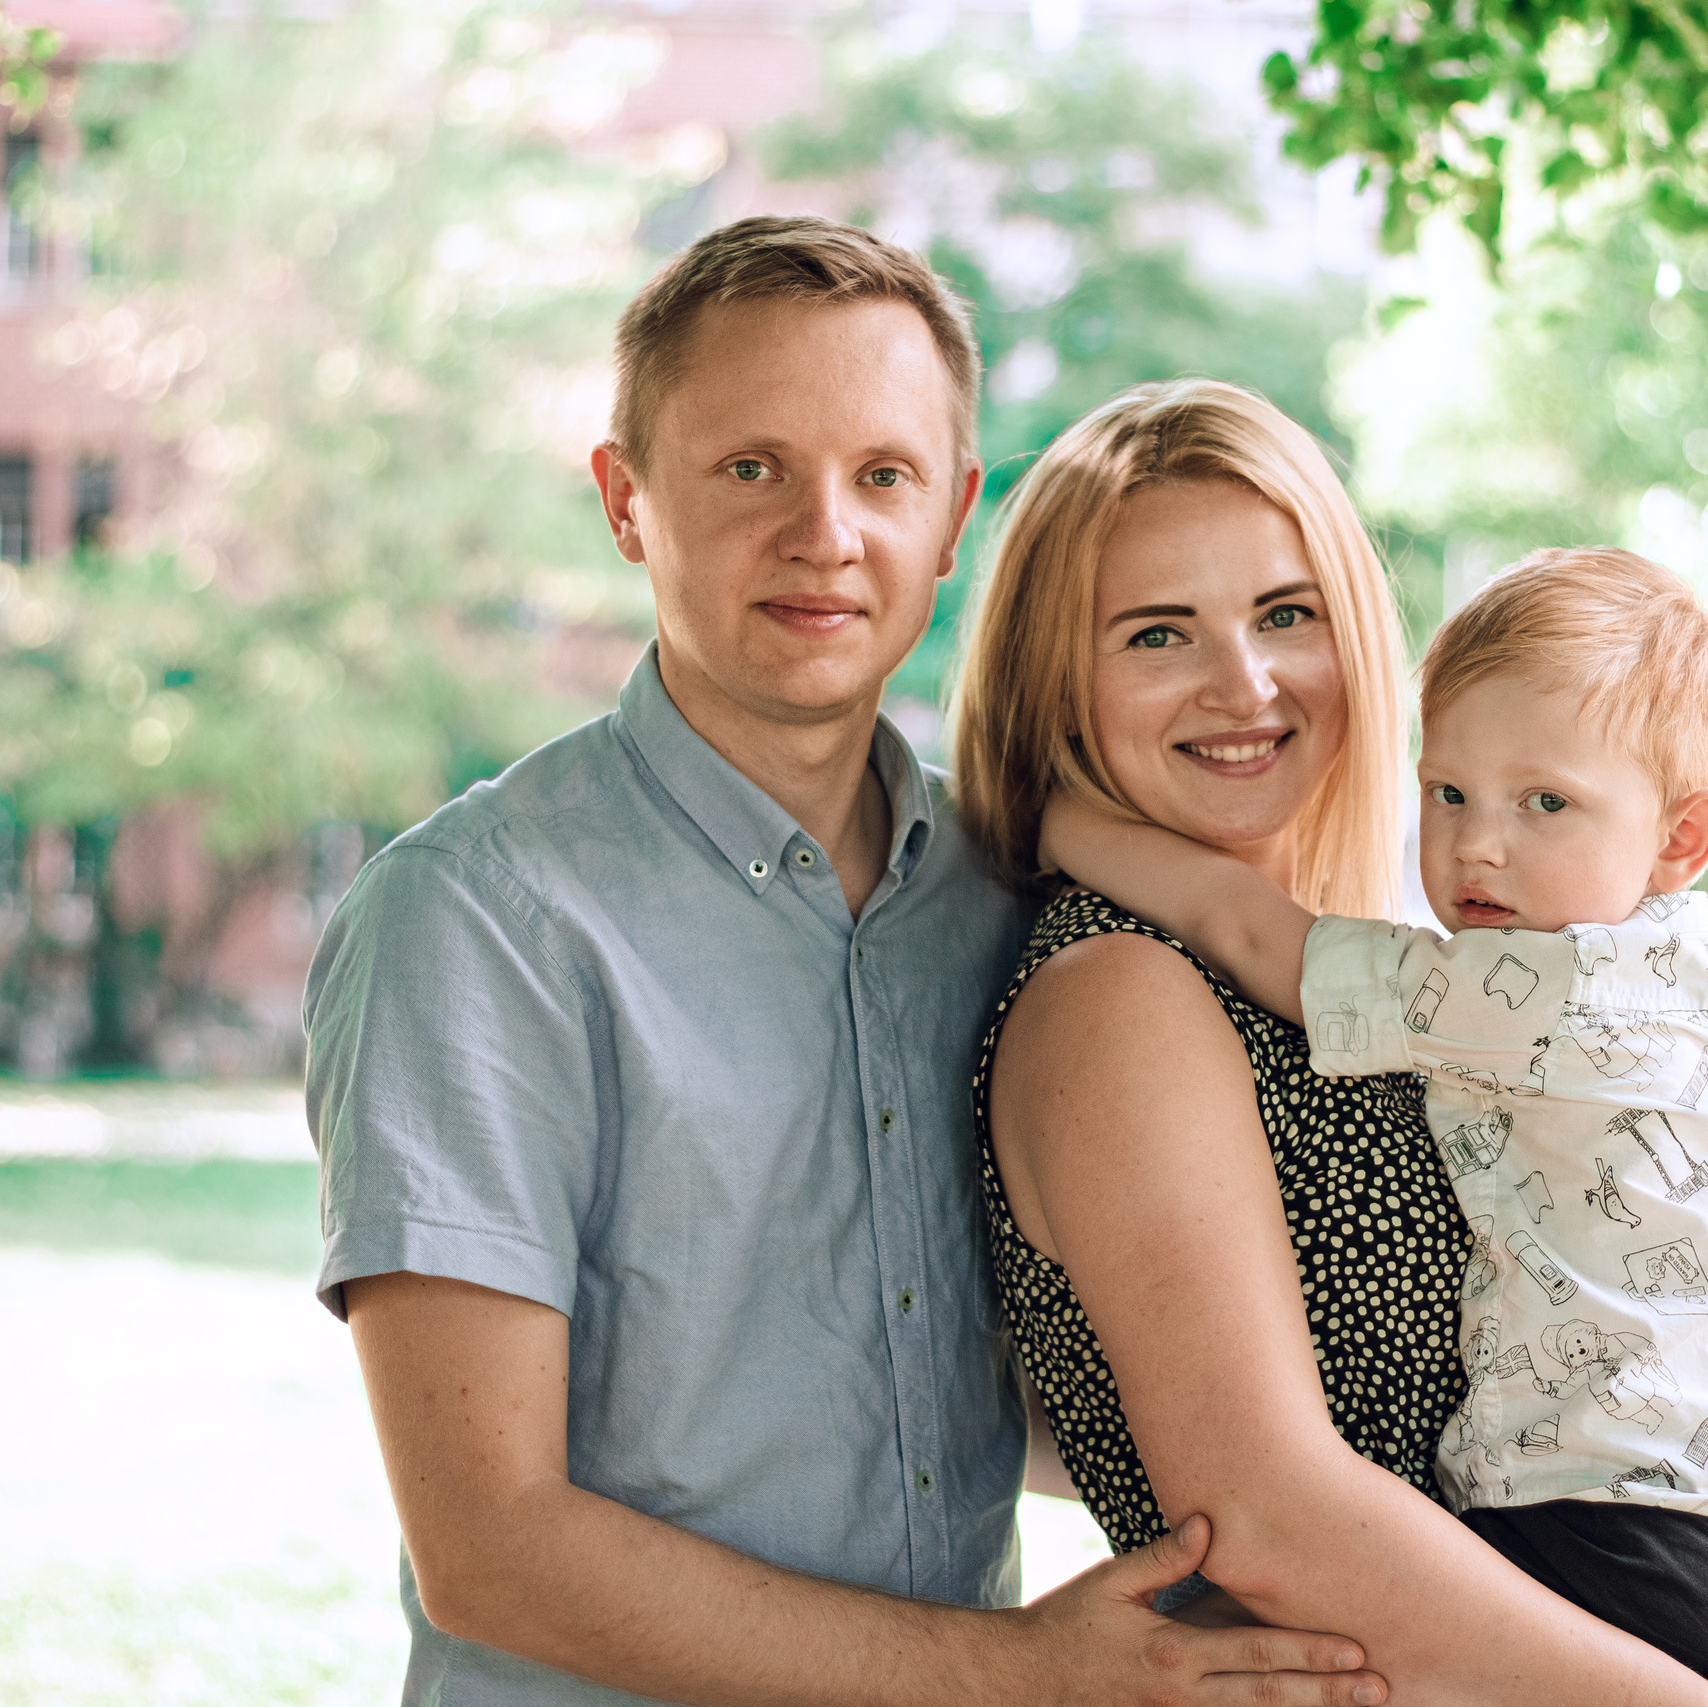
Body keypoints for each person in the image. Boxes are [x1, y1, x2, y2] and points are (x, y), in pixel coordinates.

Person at [302, 218, 1390, 1707]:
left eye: (882, 476)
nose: (826, 533)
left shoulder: (1002, 910)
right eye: (751, 469)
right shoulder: (475, 922)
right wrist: (1016, 1675)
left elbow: (1022, 1394)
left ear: (952, 520)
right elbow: (490, 1543)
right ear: (627, 501)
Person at [957, 381, 1708, 1703]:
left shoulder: (1456, 972)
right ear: (1061, 683)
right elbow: (1264, 1518)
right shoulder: (1123, 993)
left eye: (1285, 614)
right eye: (1159, 634)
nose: (1246, 681)